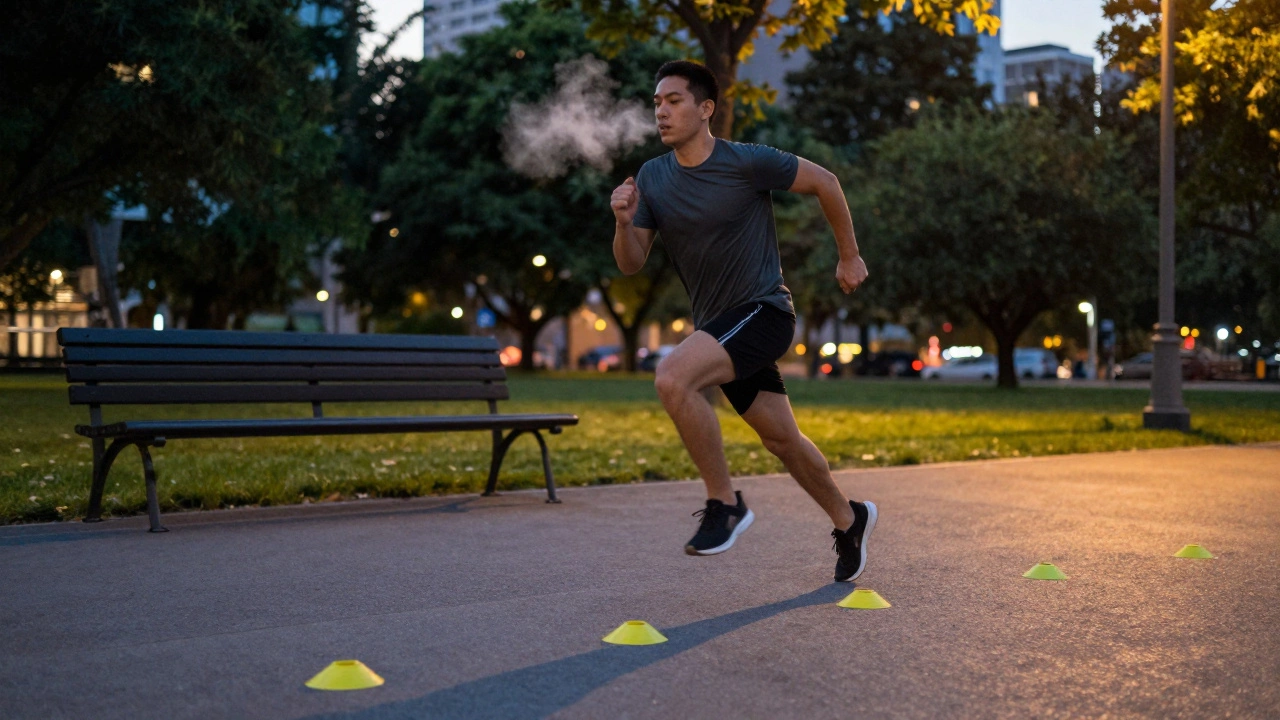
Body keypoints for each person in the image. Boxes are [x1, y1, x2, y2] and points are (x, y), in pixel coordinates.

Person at [610, 60, 877, 582]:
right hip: (720, 326)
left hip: (762, 312)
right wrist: (623, 222)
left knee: (672, 377)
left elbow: (826, 181)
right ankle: (851, 519)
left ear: (706, 109)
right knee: (781, 440)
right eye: (657, 103)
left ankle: (724, 503)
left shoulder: (746, 162)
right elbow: (630, 262)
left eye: (675, 100)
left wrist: (848, 255)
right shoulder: (652, 178)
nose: (661, 111)